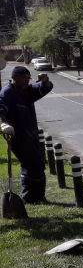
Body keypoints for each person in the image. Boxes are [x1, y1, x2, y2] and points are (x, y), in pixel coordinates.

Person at [0, 65, 53, 203]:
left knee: (38, 164)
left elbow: (45, 88)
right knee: (31, 165)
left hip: (32, 135)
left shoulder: (27, 90)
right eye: (24, 78)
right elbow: (1, 109)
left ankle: (39, 197)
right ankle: (29, 197)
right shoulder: (7, 93)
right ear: (15, 78)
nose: (27, 81)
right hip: (18, 137)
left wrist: (45, 81)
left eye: (29, 78)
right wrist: (3, 124)